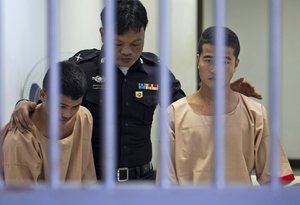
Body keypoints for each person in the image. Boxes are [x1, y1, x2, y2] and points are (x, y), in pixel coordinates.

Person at [8, 0, 262, 182]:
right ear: (103, 35)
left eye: (136, 43)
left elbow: (187, 109)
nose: (127, 51)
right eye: (118, 44)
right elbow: (49, 100)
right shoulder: (82, 67)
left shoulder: (156, 71)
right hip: (94, 180)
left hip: (143, 179)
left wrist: (222, 91)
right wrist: (23, 104)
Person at [168, 26, 294, 185]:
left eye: (225, 61)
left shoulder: (255, 114)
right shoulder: (174, 114)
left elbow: (274, 179)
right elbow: (167, 184)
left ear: (236, 64)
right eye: (208, 60)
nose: (215, 69)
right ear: (197, 59)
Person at [1, 61, 96, 185]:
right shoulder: (21, 138)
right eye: (62, 106)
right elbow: (22, 199)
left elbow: (88, 178)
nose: (68, 114)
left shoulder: (84, 117)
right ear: (42, 94)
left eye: (75, 106)